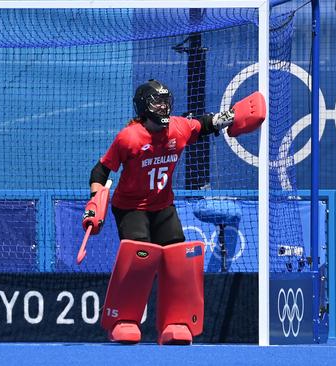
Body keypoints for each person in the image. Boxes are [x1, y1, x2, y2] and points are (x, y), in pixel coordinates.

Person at [84, 79, 243, 345]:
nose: (164, 106)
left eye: (166, 100)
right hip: (130, 207)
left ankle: (175, 323)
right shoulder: (129, 138)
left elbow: (204, 124)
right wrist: (93, 202)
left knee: (179, 259)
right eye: (157, 101)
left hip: (162, 205)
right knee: (139, 254)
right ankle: (123, 321)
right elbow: (100, 171)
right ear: (144, 106)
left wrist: (231, 117)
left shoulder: (178, 129)